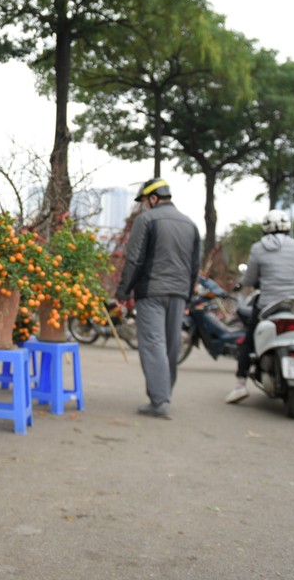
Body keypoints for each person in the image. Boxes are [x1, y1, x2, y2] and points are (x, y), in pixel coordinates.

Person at [114, 178, 200, 419]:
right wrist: (188, 296)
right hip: (179, 293)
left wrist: (122, 292)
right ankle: (163, 394)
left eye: (143, 202)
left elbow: (134, 260)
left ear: (153, 198)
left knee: (153, 344)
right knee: (171, 346)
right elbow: (195, 265)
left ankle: (160, 401)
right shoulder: (190, 224)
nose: (143, 207)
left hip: (151, 292)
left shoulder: (146, 220)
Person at [224, 210, 294, 404]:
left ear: (265, 229)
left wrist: (245, 283)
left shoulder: (258, 248)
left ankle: (241, 385)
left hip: (268, 305)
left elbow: (249, 279)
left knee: (249, 340)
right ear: (288, 227)